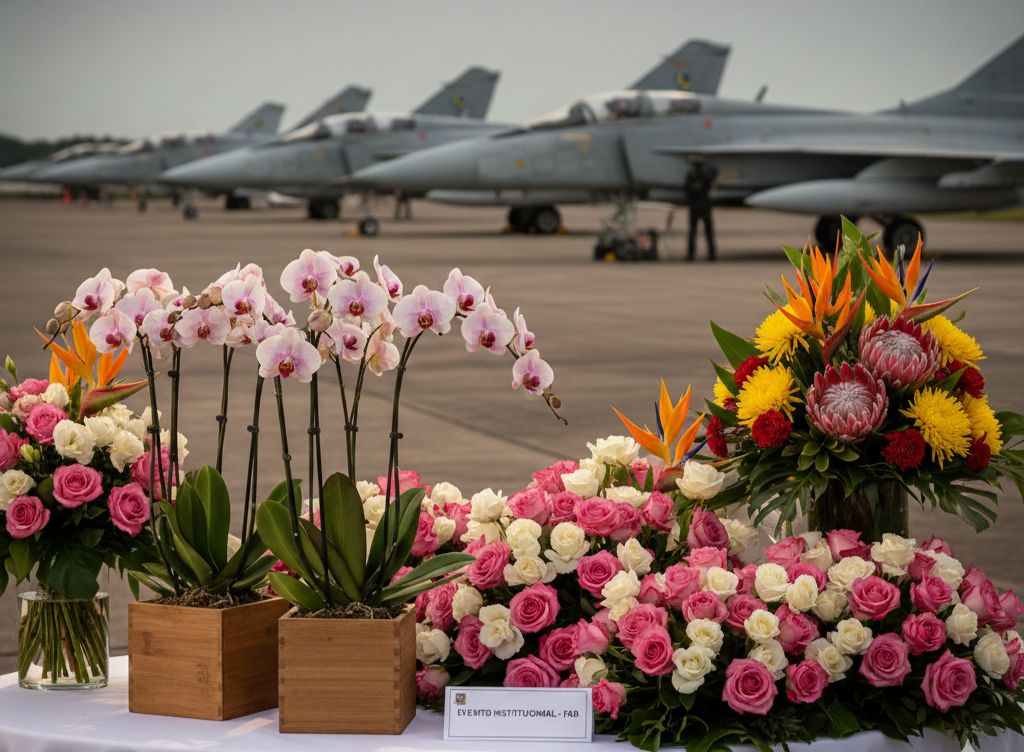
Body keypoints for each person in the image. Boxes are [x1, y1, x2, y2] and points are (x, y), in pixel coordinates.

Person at [684, 155, 718, 261]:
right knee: (708, 231)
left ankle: (691, 255)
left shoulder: (690, 175)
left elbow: (685, 188)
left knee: (692, 231)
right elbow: (713, 179)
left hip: (694, 205)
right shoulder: (706, 174)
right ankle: (712, 255)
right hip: (705, 205)